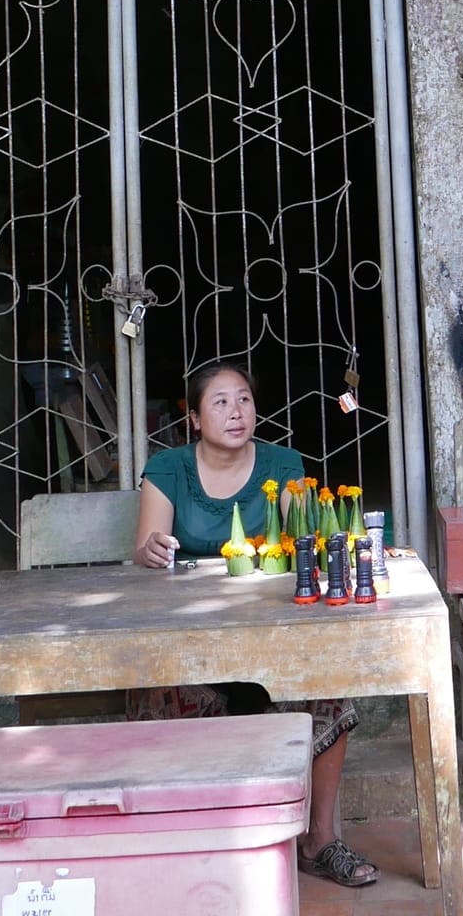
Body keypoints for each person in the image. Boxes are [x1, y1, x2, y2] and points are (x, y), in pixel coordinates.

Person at [134, 360, 377, 888]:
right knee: (163, 691)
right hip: (192, 643)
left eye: (243, 399)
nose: (235, 411)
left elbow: (302, 541)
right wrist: (153, 550)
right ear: (194, 418)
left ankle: (319, 840)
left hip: (272, 639)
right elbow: (146, 547)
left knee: (332, 687)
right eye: (219, 402)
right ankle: (200, 840)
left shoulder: (284, 463)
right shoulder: (167, 468)